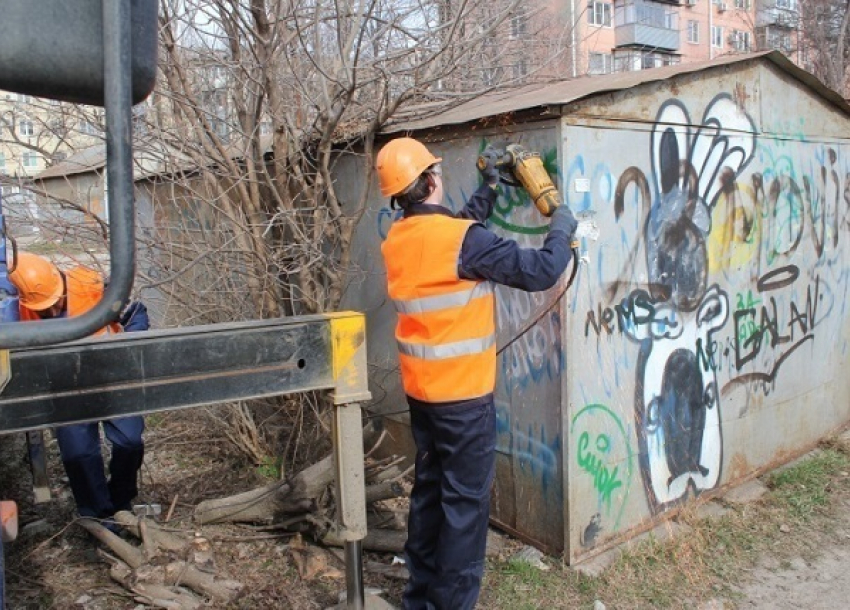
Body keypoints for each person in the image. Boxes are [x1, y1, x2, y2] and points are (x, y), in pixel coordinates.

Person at [377, 137, 578, 609]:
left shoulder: (399, 240)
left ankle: (419, 599)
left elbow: (456, 237)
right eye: (436, 173)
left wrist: (489, 188)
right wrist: (562, 222)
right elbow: (542, 270)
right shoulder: (461, 242)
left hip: (423, 397)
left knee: (429, 497)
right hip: (464, 402)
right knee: (465, 509)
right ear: (429, 181)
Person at [9, 252, 147, 525]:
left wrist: (130, 350)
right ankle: (99, 515)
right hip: (65, 387)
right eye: (41, 308)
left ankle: (121, 503)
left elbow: (136, 314)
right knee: (78, 454)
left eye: (52, 303)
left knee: (129, 442)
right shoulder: (18, 310)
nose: (48, 311)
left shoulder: (94, 286)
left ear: (59, 280)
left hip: (111, 377)